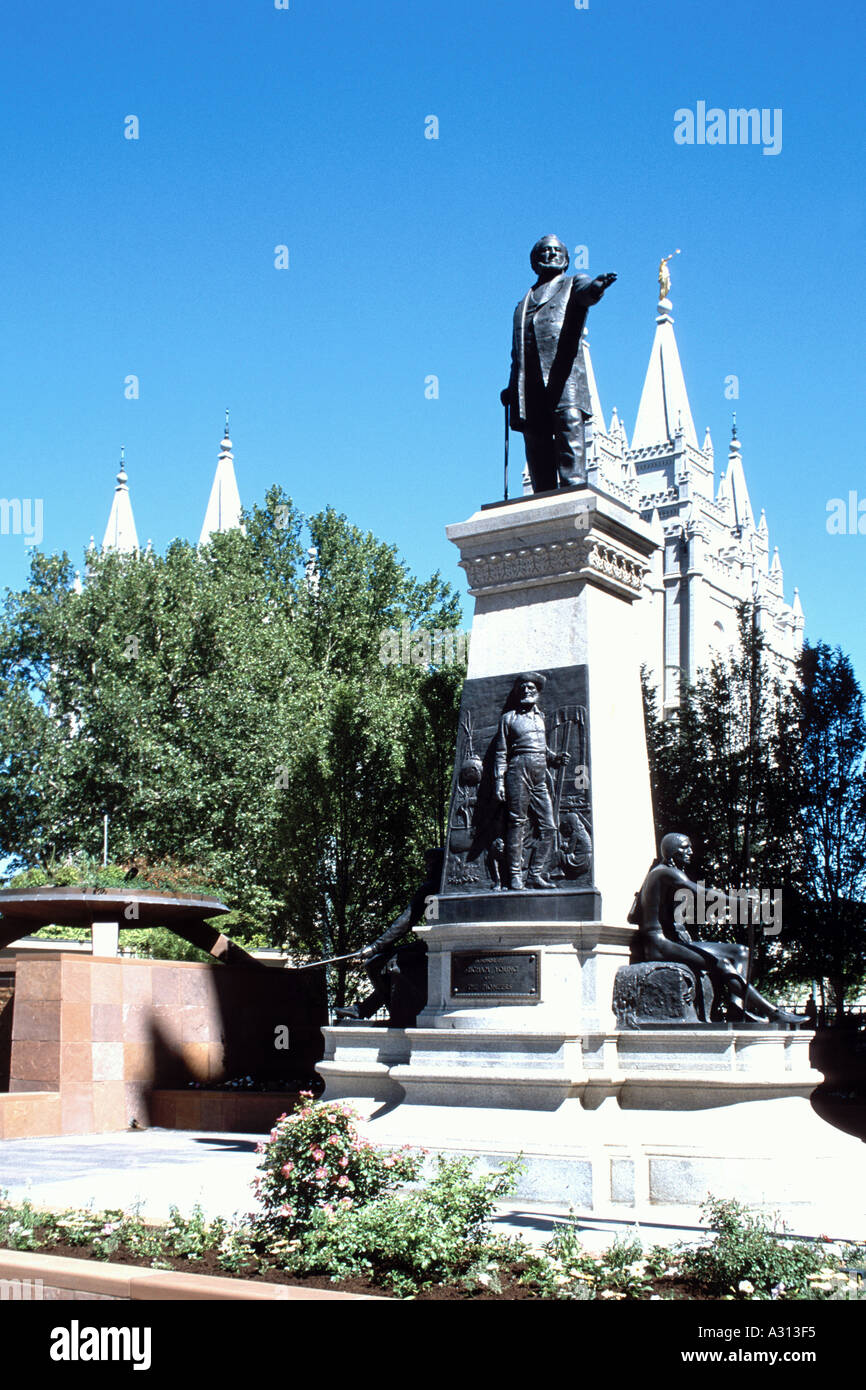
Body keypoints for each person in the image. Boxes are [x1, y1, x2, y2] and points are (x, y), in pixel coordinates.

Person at [635, 832, 799, 1024]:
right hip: (659, 943)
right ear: (671, 852)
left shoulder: (669, 872)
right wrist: (738, 902)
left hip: (672, 940)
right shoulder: (665, 872)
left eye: (689, 847)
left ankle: (737, 1007)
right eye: (684, 848)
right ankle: (774, 1013)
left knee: (741, 952)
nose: (690, 851)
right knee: (721, 963)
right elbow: (701, 893)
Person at [501, 235, 617, 492]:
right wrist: (511, 388)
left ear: (565, 259)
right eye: (544, 251)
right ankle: (543, 496)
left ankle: (574, 491)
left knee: (569, 430)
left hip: (563, 377)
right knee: (536, 441)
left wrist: (596, 288)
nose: (550, 254)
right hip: (529, 385)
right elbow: (516, 353)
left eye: (556, 251)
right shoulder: (522, 304)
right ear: (534, 261)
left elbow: (586, 293)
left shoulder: (573, 283)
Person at [333, 849, 443, 1022]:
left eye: (431, 864)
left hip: (433, 947)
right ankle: (363, 1009)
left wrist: (375, 947)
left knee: (375, 963)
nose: (427, 868)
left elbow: (406, 921)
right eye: (427, 864)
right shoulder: (446, 886)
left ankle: (392, 1014)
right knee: (382, 964)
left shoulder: (430, 887)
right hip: (439, 945)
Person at [493, 673, 569, 891]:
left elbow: (542, 748)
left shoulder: (540, 717)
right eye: (523, 688)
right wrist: (499, 781)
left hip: (539, 772)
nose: (527, 691)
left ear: (538, 692)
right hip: (518, 769)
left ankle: (535, 875)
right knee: (517, 823)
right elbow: (501, 752)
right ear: (518, 693)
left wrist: (555, 758)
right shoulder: (509, 718)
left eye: (531, 688)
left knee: (549, 827)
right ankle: (515, 876)